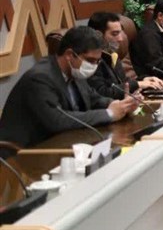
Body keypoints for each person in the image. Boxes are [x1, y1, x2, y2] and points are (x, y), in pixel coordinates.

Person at [0, 26, 138, 150]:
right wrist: (109, 114)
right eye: (90, 60)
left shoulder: (74, 72)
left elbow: (94, 98)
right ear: (69, 55)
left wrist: (121, 106)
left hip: (65, 143)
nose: (94, 66)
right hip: (25, 152)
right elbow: (57, 120)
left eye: (97, 61)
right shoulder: (40, 78)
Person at [86, 12, 163, 99]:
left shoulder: (112, 55)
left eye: (120, 33)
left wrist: (143, 80)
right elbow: (103, 92)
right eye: (115, 34)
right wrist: (137, 84)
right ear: (99, 35)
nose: (121, 39)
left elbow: (123, 82)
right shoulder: (91, 60)